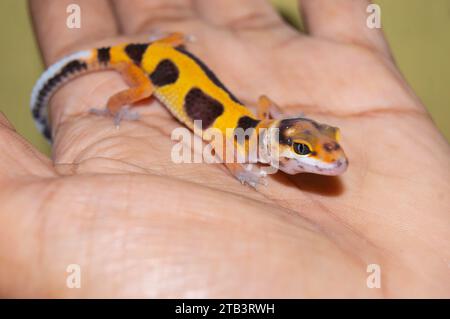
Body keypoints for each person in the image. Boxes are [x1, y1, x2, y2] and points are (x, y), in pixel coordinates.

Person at [0, 0, 448, 297]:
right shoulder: (248, 141)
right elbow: (229, 151)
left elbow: (268, 108)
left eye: (325, 149)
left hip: (167, 52)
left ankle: (164, 45)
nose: (330, 159)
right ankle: (115, 96)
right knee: (137, 94)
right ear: (286, 145)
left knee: (171, 58)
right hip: (151, 65)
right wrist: (243, 174)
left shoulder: (264, 130)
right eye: (313, 151)